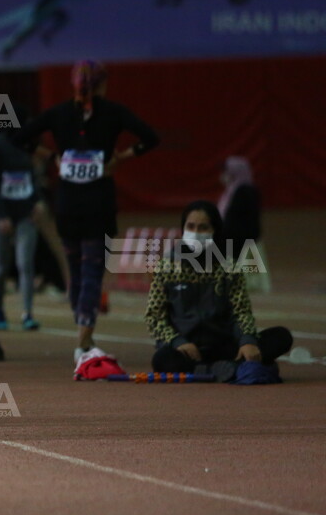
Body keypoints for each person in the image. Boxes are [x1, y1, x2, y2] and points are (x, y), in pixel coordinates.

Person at [16, 60, 158, 362]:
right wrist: (121, 157)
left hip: (67, 203)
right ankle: (84, 338)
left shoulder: (59, 113)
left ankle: (82, 329)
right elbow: (151, 138)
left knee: (76, 272)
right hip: (98, 202)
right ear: (103, 85)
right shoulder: (114, 112)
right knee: (93, 270)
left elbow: (20, 138)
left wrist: (51, 156)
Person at [146, 200, 291, 377]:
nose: (196, 233)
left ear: (215, 231)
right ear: (183, 229)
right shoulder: (166, 266)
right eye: (191, 226)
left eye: (203, 228)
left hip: (225, 345)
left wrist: (247, 341)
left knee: (281, 336)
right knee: (162, 360)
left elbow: (241, 311)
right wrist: (178, 342)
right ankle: (229, 368)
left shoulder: (229, 267)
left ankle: (227, 365)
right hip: (186, 350)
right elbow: (154, 316)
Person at [0, 106, 41, 331]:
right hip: (1, 216)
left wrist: (38, 201)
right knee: (1, 267)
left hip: (25, 212)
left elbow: (33, 175)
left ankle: (27, 313)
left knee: (25, 264)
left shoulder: (28, 144)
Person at [217, 156, 267, 292]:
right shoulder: (230, 192)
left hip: (242, 236)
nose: (223, 176)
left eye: (226, 172)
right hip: (232, 234)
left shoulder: (246, 191)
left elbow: (239, 220)